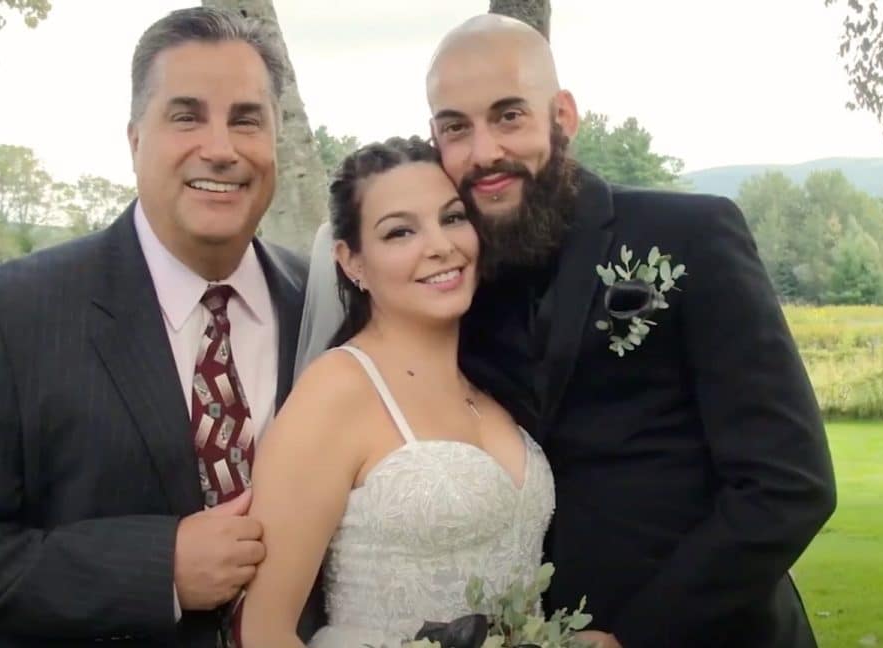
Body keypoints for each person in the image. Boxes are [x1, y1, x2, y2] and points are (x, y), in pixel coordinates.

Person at [0, 8, 322, 647]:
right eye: (186, 115)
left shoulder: (323, 304)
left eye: (246, 120)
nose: (222, 148)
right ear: (135, 139)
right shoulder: (17, 313)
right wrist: (158, 569)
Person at [428, 14, 837, 648]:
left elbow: (789, 485)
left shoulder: (690, 236)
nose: (483, 151)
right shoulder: (456, 288)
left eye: (508, 116)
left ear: (563, 114)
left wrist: (636, 636)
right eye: (456, 127)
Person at [238, 135, 557, 648]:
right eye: (400, 231)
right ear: (352, 262)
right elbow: (265, 631)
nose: (440, 246)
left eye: (453, 218)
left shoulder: (495, 384)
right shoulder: (336, 391)